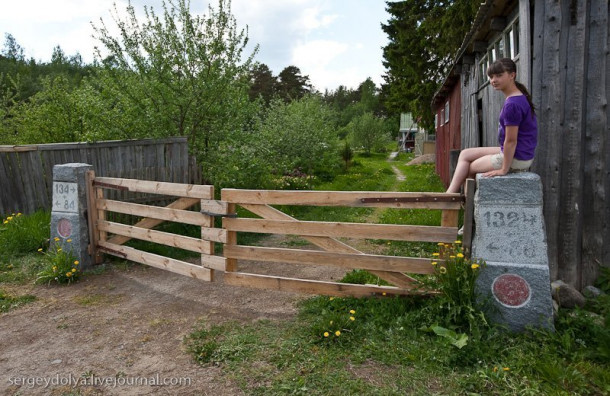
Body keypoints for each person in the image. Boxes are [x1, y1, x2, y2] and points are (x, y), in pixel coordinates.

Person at [446, 58, 538, 194]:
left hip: (517, 157)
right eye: (491, 76)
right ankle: (450, 193)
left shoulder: (512, 104)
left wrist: (503, 169)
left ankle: (462, 203)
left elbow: (511, 141)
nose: (493, 80)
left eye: (499, 75)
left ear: (512, 75)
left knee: (471, 167)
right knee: (465, 154)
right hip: (521, 152)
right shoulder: (518, 96)